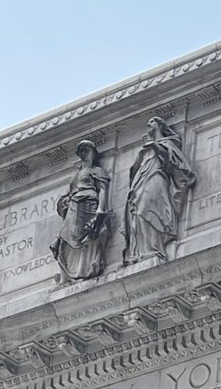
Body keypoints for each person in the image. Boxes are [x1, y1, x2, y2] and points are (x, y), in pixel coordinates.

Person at [123, 116, 196, 266]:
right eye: (147, 122)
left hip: (157, 177)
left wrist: (157, 148)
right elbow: (134, 171)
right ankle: (144, 251)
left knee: (146, 209)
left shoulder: (168, 143)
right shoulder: (145, 149)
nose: (148, 124)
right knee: (138, 213)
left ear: (160, 126)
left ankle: (155, 249)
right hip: (141, 182)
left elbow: (175, 165)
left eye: (152, 122)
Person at [51, 140, 111, 281]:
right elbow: (66, 195)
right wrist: (64, 201)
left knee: (88, 238)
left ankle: (84, 269)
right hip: (74, 208)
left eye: (87, 150)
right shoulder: (76, 175)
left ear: (93, 153)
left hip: (89, 205)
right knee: (65, 238)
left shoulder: (97, 171)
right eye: (82, 150)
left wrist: (100, 210)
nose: (84, 153)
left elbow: (103, 190)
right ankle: (67, 273)